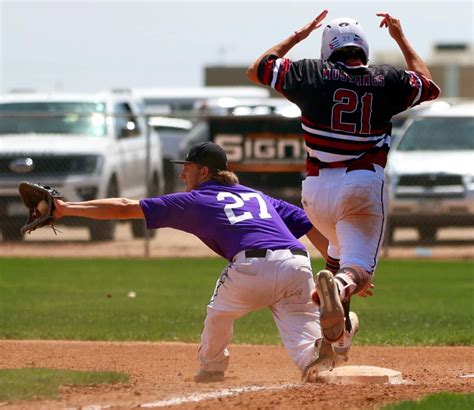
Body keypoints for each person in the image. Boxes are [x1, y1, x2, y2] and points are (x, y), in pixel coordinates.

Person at [53, 141, 351, 383]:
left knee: (219, 314)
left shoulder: (195, 201)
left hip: (252, 266)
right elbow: (309, 223)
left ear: (204, 171)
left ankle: (212, 368)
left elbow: (123, 208)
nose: (184, 175)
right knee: (303, 341)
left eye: (188, 169)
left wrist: (65, 208)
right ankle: (330, 343)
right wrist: (341, 268)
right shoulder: (257, 196)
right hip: (297, 264)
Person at [247, 11, 440, 348]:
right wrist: (400, 37)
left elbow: (259, 68)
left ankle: (339, 341)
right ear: (362, 47)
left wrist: (298, 34)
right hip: (361, 186)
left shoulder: (308, 72)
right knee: (360, 273)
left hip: (316, 191)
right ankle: (339, 287)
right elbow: (428, 84)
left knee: (338, 253)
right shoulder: (388, 80)